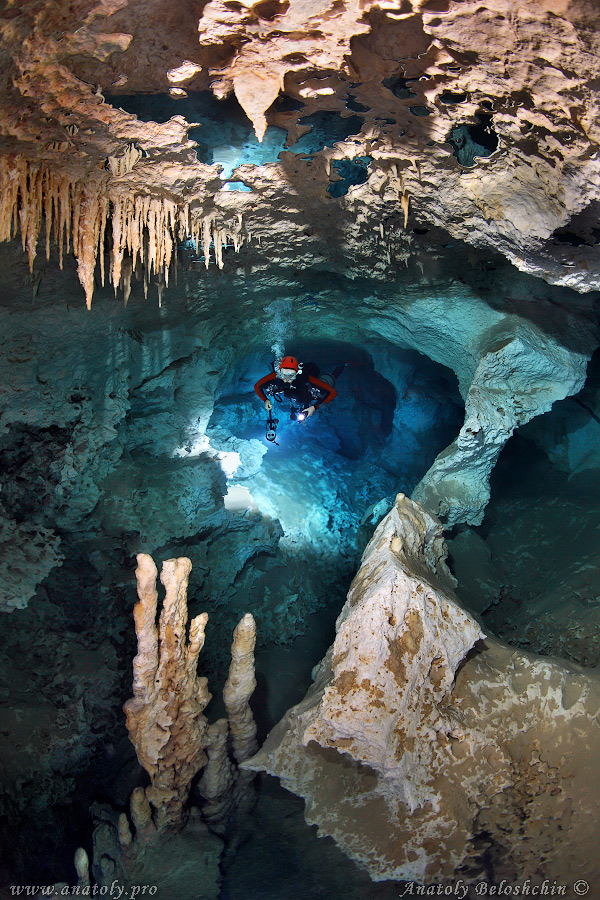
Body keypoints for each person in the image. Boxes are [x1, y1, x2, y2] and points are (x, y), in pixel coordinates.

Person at [254, 356, 337, 421]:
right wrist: (265, 400)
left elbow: (332, 392)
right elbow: (257, 386)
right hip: (294, 395)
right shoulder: (275, 375)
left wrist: (315, 407)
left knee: (322, 391)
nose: (287, 379)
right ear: (279, 372)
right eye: (284, 375)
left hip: (305, 393)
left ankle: (339, 369)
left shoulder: (305, 378)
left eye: (291, 375)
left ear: (297, 373)